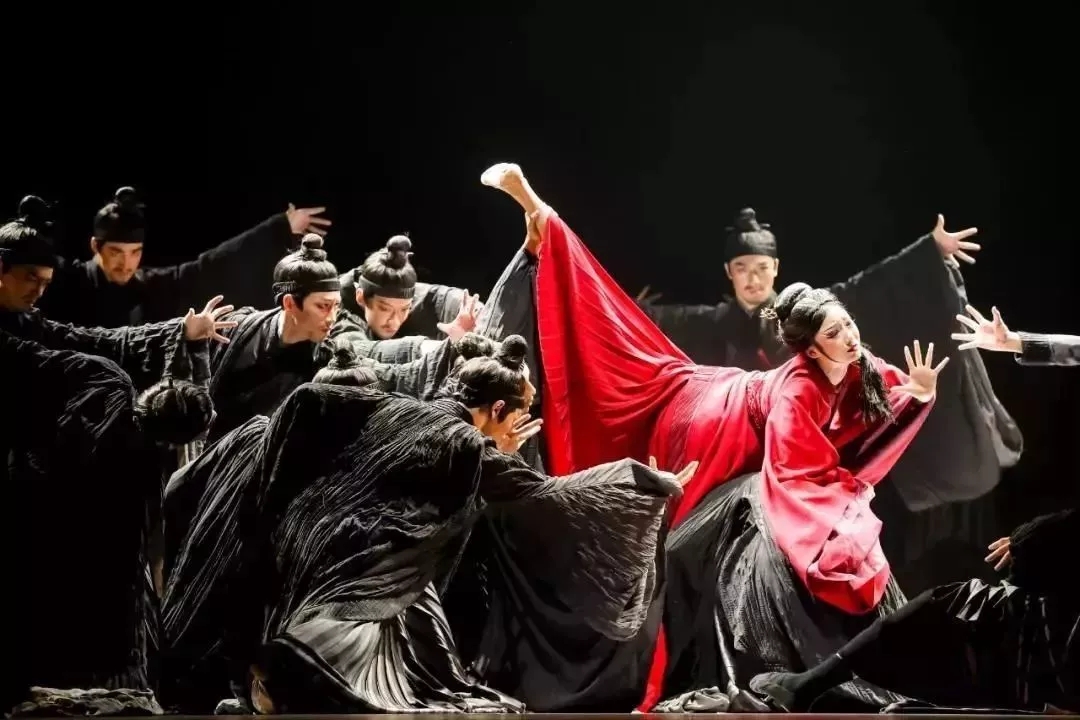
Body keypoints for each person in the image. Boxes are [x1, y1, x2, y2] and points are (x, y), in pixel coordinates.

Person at [479, 162, 948, 710]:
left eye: (847, 324)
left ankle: (548, 233)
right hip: (711, 424)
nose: (848, 335)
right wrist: (842, 510)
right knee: (625, 364)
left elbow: (885, 392)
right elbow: (795, 474)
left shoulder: (852, 354)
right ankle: (548, 228)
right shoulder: (797, 390)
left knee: (644, 365)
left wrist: (918, 392)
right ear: (810, 347)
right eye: (835, 332)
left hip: (711, 387)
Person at [161, 335, 695, 713]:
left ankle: (271, 673)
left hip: (313, 536)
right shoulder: (466, 444)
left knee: (429, 648)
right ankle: (287, 667)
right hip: (364, 560)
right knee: (344, 658)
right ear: (499, 408)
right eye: (519, 414)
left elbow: (311, 400)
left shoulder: (404, 407)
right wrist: (641, 480)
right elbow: (547, 496)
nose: (520, 427)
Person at [638, 205, 1021, 590]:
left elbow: (872, 285)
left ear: (776, 267)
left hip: (813, 443)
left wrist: (928, 252)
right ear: (729, 272)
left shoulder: (824, 320)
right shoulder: (737, 338)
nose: (753, 278)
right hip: (752, 442)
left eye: (761, 267)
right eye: (742, 268)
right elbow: (668, 320)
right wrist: (635, 310)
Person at [0, 195, 237, 391]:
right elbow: (51, 360)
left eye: (45, 283)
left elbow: (98, 341)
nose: (39, 292)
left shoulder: (30, 320)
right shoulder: (70, 281)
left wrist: (181, 329)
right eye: (31, 278)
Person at [40, 187, 331, 327]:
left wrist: (279, 228)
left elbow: (211, 265)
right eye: (116, 252)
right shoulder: (67, 280)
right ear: (96, 246)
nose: (126, 264)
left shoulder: (148, 286)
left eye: (134, 253)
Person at [333, 233, 469, 347]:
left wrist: (473, 313)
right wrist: (427, 348)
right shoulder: (333, 306)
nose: (394, 322)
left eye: (404, 309)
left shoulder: (407, 295)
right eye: (385, 309)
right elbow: (356, 350)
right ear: (361, 297)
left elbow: (439, 297)